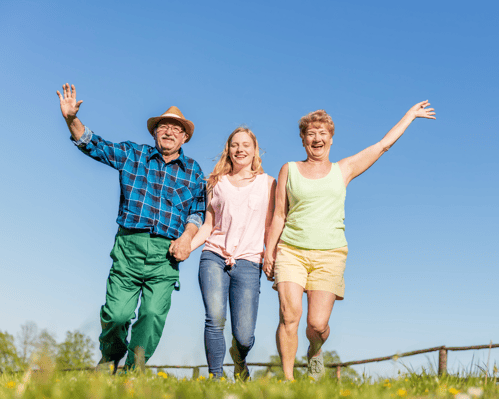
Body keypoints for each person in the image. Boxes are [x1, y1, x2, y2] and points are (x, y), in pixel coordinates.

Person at [263, 101, 436, 381]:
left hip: (330, 254)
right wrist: (269, 252)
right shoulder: (289, 169)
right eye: (310, 133)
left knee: (317, 325)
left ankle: (315, 352)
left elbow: (382, 145)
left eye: (322, 133)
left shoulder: (343, 170)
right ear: (303, 139)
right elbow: (279, 215)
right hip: (291, 251)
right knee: (289, 314)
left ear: (331, 137)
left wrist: (410, 116)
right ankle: (287, 381)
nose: (316, 138)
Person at [56, 83, 206, 372]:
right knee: (117, 315)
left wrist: (187, 238)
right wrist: (70, 118)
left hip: (166, 254)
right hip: (129, 248)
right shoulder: (133, 155)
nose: (169, 132)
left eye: (177, 129)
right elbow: (93, 144)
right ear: (154, 132)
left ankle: (134, 373)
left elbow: (198, 210)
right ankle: (110, 358)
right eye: (164, 126)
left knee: (151, 315)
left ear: (185, 137)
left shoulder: (194, 172)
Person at [186, 127, 276, 379]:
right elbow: (208, 226)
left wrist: (272, 256)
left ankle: (240, 359)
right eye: (235, 145)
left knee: (244, 335)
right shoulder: (216, 183)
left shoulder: (268, 184)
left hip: (249, 261)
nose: (240, 149)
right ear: (228, 149)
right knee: (214, 318)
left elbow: (271, 226)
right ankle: (216, 378)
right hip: (213, 255)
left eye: (246, 144)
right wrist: (187, 249)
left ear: (255, 150)